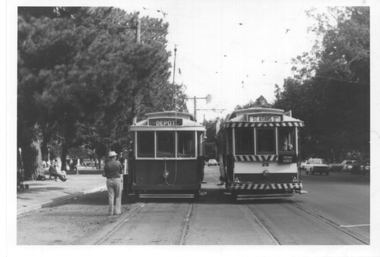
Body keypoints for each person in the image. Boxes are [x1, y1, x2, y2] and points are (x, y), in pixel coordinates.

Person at [103, 151, 124, 216]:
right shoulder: (118, 163)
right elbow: (121, 171)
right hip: (117, 179)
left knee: (111, 196)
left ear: (109, 157)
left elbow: (104, 174)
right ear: (114, 156)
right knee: (118, 196)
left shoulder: (106, 164)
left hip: (109, 180)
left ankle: (110, 212)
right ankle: (117, 211)